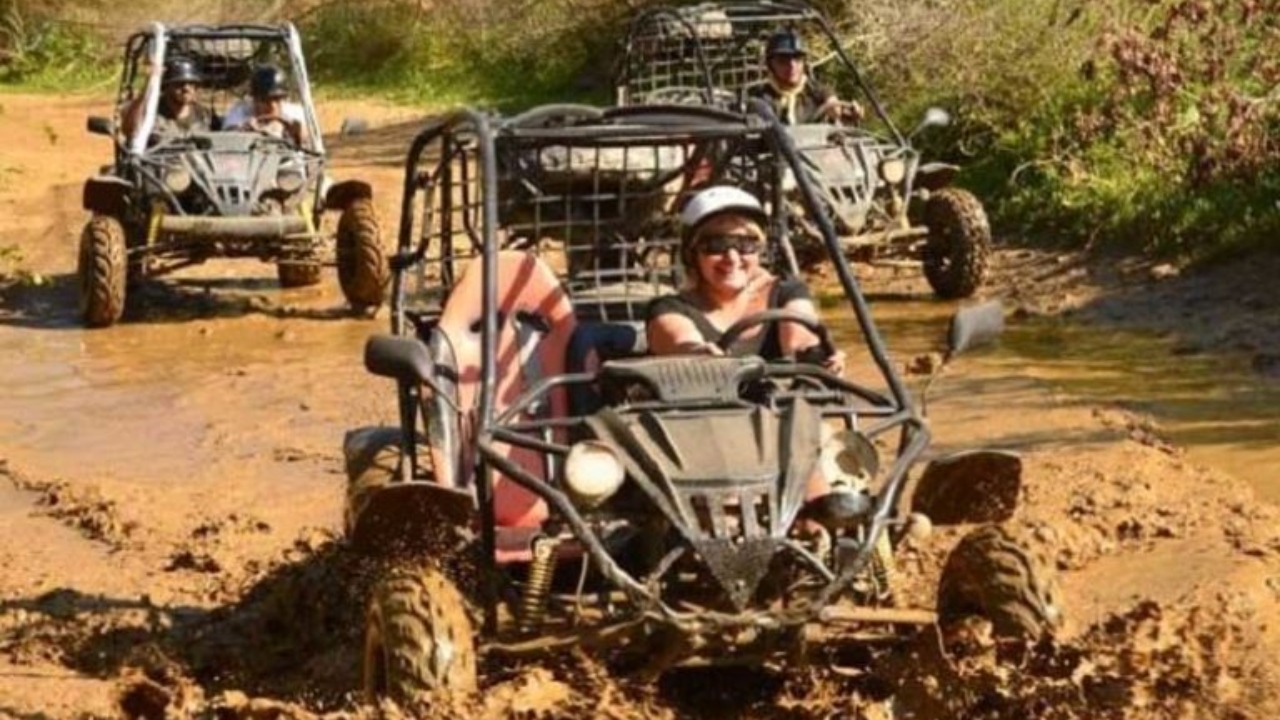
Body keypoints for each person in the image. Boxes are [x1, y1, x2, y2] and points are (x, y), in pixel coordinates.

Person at [646, 185, 845, 373]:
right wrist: (699, 356)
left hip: (784, 397)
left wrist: (817, 357)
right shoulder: (669, 309)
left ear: (759, 250)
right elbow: (681, 343)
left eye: (745, 244)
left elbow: (800, 339)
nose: (732, 258)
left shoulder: (787, 292)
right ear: (692, 254)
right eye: (716, 245)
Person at [745, 30, 863, 126]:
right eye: (783, 61)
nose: (792, 66)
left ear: (804, 63)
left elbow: (833, 104)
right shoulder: (760, 97)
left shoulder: (816, 91)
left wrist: (845, 113)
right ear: (771, 65)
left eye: (797, 59)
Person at [122, 56, 213, 139]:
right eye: (179, 84)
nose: (186, 88)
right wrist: (148, 86)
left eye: (191, 84)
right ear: (166, 87)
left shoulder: (204, 115)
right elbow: (130, 130)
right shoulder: (150, 111)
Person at [223, 64, 309, 146]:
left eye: (277, 99)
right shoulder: (240, 112)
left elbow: (306, 134)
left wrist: (288, 125)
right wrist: (246, 130)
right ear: (255, 99)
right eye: (265, 100)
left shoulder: (294, 113)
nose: (272, 106)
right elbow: (229, 136)